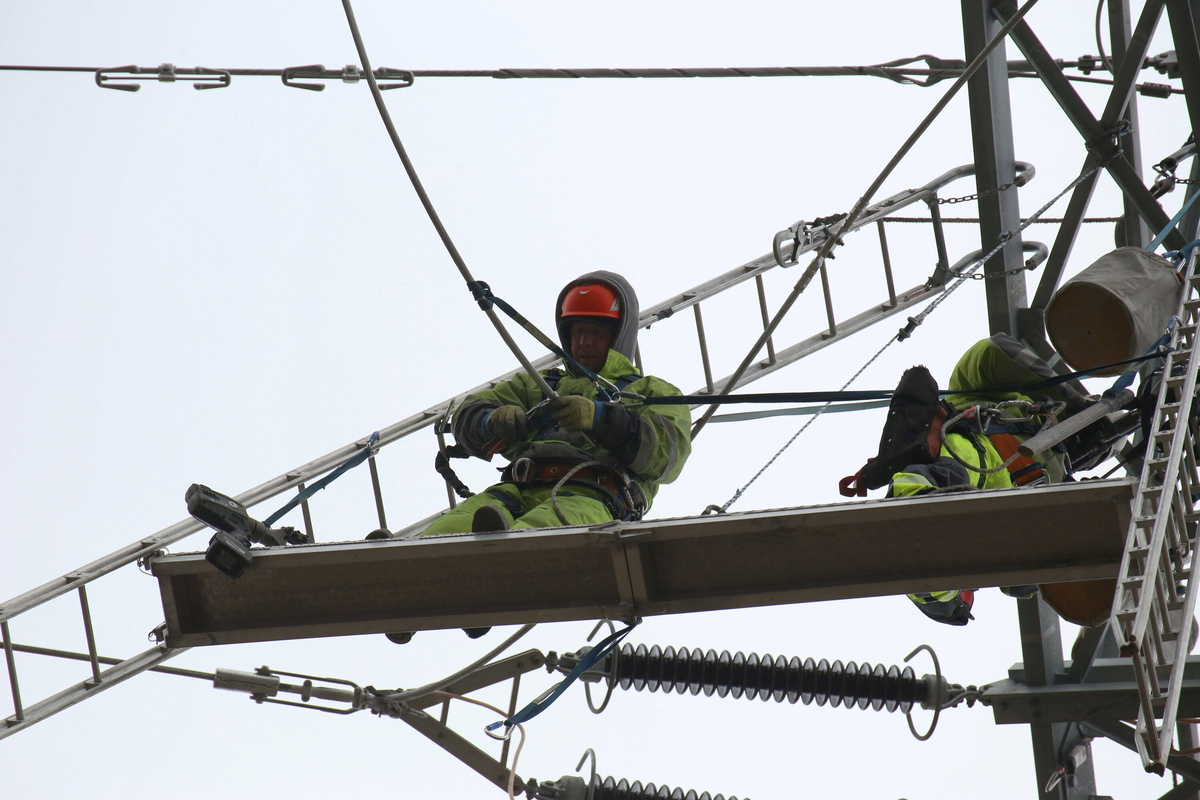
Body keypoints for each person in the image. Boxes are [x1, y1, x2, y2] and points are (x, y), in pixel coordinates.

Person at [843, 333, 1091, 626]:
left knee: (990, 351)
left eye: (969, 594)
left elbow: (909, 516)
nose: (975, 590)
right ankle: (1098, 420)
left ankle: (1086, 412)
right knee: (1107, 438)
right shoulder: (1011, 555)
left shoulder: (949, 486)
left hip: (981, 408)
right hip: (1054, 452)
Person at [421, 270, 692, 536]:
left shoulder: (649, 391)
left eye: (596, 332)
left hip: (594, 497)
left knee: (533, 535)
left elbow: (667, 455)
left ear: (618, 336)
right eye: (578, 332)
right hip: (515, 489)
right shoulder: (536, 385)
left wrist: (601, 419)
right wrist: (489, 419)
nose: (584, 342)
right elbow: (467, 415)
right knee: (445, 534)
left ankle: (500, 552)